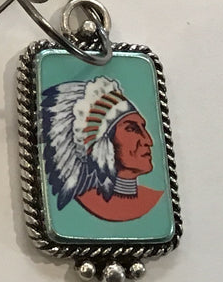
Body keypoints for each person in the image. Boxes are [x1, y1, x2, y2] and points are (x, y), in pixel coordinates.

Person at [41, 75, 162, 222]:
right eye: (131, 129)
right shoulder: (87, 200)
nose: (148, 141)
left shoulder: (154, 198)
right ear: (102, 142)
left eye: (143, 128)